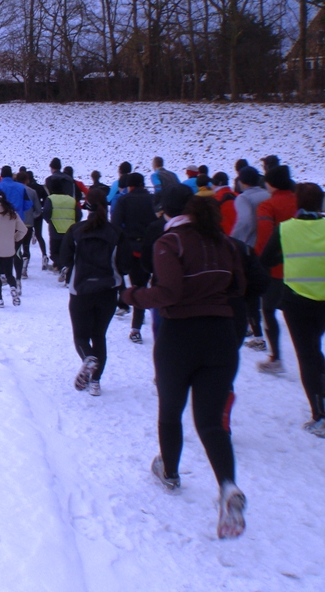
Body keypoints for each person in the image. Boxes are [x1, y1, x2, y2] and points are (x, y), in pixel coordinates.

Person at [121, 190, 247, 540]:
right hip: (221, 335)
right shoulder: (225, 243)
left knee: (171, 410)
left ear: (165, 212)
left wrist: (131, 296)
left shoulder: (169, 243)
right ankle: (227, 485)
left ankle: (171, 472)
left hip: (180, 336)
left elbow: (168, 294)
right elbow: (239, 286)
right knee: (210, 422)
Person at [259, 182, 325, 437]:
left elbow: (265, 260)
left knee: (307, 356)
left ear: (298, 203)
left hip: (298, 301)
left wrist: (286, 257)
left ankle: (319, 415)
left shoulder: (285, 229)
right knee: (315, 351)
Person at [62, 187, 132, 395]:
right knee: (99, 335)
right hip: (107, 290)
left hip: (80, 290)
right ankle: (95, 382)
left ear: (86, 206)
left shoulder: (75, 230)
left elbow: (64, 259)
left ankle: (87, 358)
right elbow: (125, 265)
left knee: (81, 336)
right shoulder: (116, 233)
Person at [254, 165, 298, 374]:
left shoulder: (267, 206)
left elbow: (265, 237)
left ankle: (276, 357)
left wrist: (260, 262)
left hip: (276, 269)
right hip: (303, 268)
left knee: (269, 310)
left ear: (270, 183)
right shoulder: (300, 200)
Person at [112, 173, 157, 344]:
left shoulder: (124, 200)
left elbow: (115, 224)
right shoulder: (152, 199)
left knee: (122, 278)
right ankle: (138, 325)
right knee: (144, 285)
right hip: (150, 247)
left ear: (130, 186)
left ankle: (126, 304)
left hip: (129, 247)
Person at [231, 166, 270, 348]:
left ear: (242, 181)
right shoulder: (266, 194)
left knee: (250, 292)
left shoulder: (244, 198)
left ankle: (258, 336)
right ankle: (254, 327)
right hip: (268, 244)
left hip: (249, 247)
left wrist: (233, 240)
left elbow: (244, 221)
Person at [44, 179, 80, 275]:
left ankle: (62, 266)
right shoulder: (71, 200)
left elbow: (46, 213)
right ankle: (67, 267)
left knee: (54, 252)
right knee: (68, 251)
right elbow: (78, 214)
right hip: (70, 230)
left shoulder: (51, 199)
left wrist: (50, 221)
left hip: (55, 228)